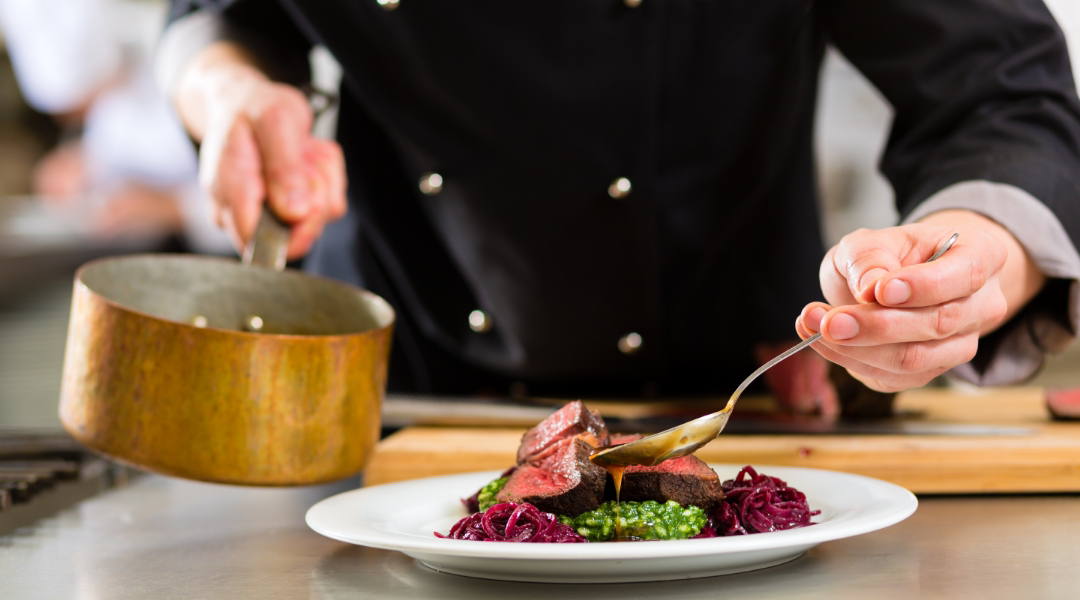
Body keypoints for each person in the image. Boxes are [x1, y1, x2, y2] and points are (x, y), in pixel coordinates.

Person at [156, 0, 1080, 414]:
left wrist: (977, 263)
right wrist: (227, 89)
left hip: (738, 395)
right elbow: (220, 16)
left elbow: (998, 92)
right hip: (391, 394)